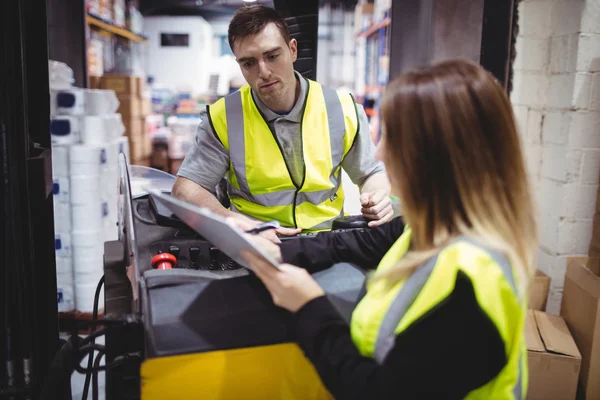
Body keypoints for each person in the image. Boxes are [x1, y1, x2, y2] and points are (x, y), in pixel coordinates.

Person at [242, 59, 538, 398]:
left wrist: (308, 306)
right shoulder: (436, 228)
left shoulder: (471, 283)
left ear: (438, 156)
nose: (380, 152)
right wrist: (275, 248)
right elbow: (359, 242)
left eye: (392, 138)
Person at [172, 5, 392, 243]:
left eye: (272, 56)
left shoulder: (342, 108)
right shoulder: (224, 117)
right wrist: (231, 220)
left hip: (327, 242)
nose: (263, 72)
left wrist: (377, 197)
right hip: (257, 243)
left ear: (292, 50)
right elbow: (185, 189)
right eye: (249, 63)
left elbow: (371, 172)